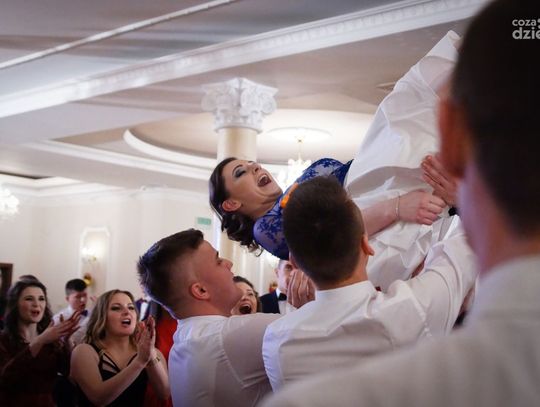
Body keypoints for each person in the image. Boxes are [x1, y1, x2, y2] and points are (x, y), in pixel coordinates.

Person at [262, 1, 540, 406]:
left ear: (450, 133)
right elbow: (454, 261)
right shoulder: (408, 307)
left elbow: (454, 260)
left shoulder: (293, 366)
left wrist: (448, 202)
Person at [210, 31, 460, 290]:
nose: (254, 167)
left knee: (410, 108)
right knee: (414, 117)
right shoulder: (264, 228)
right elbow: (330, 235)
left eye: (250, 163)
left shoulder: (293, 196)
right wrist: (395, 207)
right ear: (231, 203)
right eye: (241, 172)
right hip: (369, 200)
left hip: (366, 173)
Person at [262, 176, 476, 390]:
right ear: (366, 243)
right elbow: (469, 242)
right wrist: (463, 197)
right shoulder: (410, 308)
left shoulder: (277, 342)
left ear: (294, 262)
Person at [137, 229, 281, 407]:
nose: (229, 263)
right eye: (218, 261)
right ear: (201, 290)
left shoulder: (183, 338)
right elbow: (311, 329)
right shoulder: (230, 334)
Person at [70, 289, 170, 406]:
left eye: (131, 308)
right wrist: (139, 362)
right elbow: (98, 398)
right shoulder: (84, 351)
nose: (127, 312)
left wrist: (151, 353)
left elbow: (164, 393)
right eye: (116, 308)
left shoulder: (150, 352)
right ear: (102, 316)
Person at [0, 279, 80, 406]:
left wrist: (67, 341)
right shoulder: (3, 340)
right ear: (15, 304)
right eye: (29, 299)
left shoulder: (50, 339)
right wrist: (40, 340)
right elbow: (6, 378)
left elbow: (69, 373)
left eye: (41, 299)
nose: (37, 304)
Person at [53, 278, 90, 346]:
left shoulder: (91, 313)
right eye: (78, 297)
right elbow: (72, 340)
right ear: (67, 299)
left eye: (85, 295)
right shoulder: (59, 318)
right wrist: (91, 318)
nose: (83, 300)